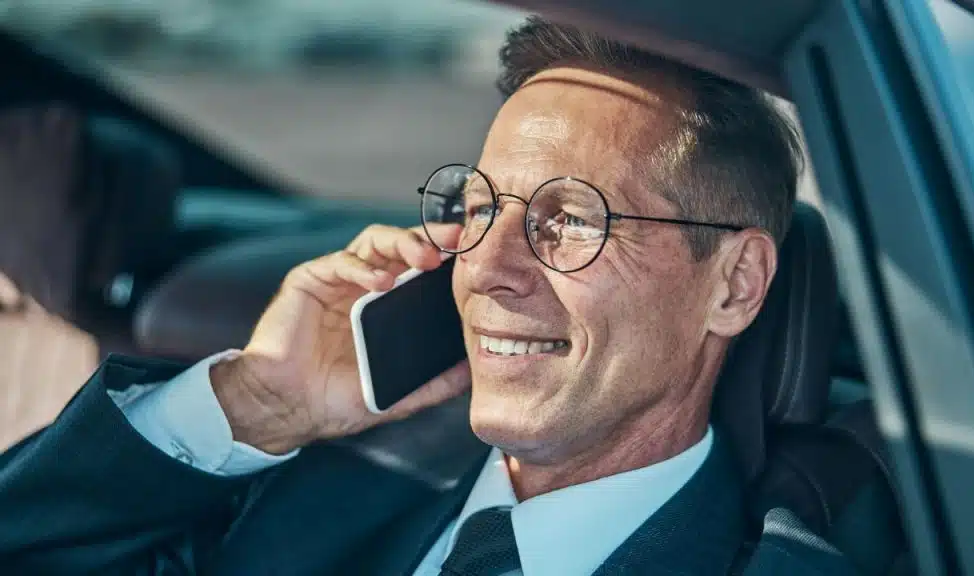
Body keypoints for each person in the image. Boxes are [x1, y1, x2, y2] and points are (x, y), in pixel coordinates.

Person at [0, 17, 855, 576]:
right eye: (479, 207)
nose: (487, 268)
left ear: (735, 286)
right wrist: (257, 402)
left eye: (568, 220)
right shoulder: (312, 492)